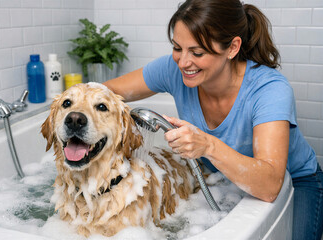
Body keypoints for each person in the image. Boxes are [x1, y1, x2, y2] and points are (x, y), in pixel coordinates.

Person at [103, 0, 323, 239]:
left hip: (296, 181)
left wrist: (207, 145)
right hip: (221, 178)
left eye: (197, 52)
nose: (183, 62)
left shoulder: (269, 90)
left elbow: (269, 186)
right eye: (177, 48)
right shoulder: (173, 69)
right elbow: (101, 92)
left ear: (232, 48)